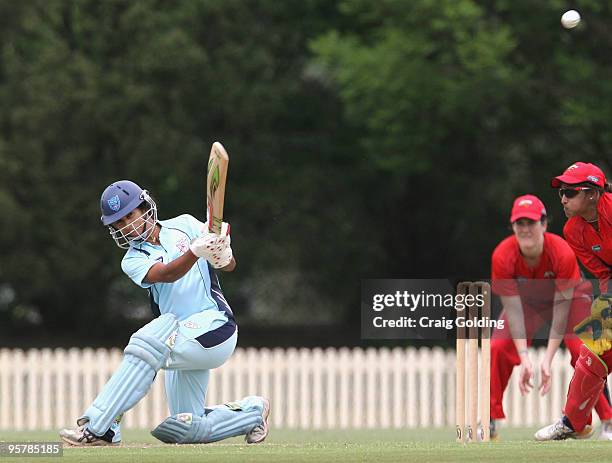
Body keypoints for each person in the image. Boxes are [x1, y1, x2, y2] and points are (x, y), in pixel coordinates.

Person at [60, 180, 269, 446]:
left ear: (145, 207)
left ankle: (101, 427)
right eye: (119, 223)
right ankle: (251, 414)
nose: (126, 226)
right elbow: (167, 274)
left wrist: (222, 254)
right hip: (178, 336)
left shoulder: (186, 224)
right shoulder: (132, 260)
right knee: (187, 426)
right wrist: (195, 252)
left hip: (214, 326)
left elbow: (228, 265)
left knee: (147, 342)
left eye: (129, 216)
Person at [491, 194, 612, 440]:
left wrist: (546, 359)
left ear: (544, 224)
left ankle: (608, 421)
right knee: (498, 346)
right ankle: (490, 420)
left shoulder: (561, 251)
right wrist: (524, 357)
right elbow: (513, 311)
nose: (525, 230)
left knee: (585, 350)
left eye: (531, 223)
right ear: (512, 226)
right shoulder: (502, 255)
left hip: (570, 300)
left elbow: (561, 309)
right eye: (519, 224)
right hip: (527, 302)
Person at [535, 162, 612, 440]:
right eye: (562, 193)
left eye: (570, 192)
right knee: (591, 352)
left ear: (592, 193)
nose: (564, 198)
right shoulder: (572, 230)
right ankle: (572, 422)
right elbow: (604, 272)